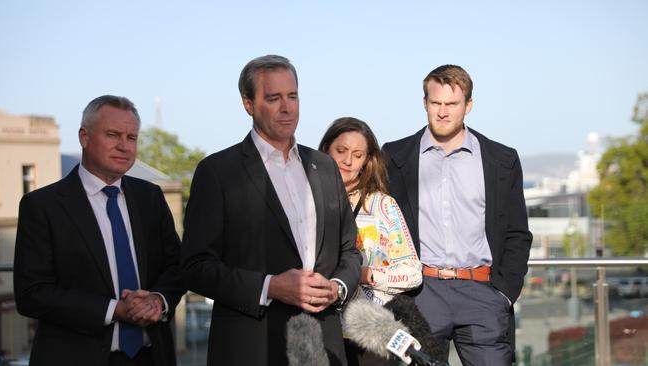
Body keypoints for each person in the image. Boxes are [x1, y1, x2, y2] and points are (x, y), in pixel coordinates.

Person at [180, 55, 362, 366]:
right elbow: (195, 267)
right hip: (252, 345)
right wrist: (271, 287)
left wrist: (338, 287)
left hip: (324, 343)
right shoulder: (218, 172)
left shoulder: (324, 166)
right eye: (274, 98)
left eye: (292, 96)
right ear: (248, 104)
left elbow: (350, 249)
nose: (287, 107)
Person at [14, 95, 185, 366]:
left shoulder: (149, 197)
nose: (124, 146)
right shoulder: (43, 206)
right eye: (113, 135)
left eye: (131, 137)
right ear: (84, 136)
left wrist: (158, 299)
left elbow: (177, 266)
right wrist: (114, 310)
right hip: (76, 357)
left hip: (151, 356)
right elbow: (32, 294)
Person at [382, 65, 533, 365]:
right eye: (435, 103)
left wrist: (503, 295)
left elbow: (517, 232)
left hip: (483, 294)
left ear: (468, 106)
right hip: (420, 293)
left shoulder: (501, 160)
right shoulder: (394, 157)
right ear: (424, 103)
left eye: (451, 104)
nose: (442, 112)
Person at [319, 117, 422, 366]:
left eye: (357, 154)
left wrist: (365, 275)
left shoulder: (381, 206)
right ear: (325, 151)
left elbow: (412, 273)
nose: (347, 161)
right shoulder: (308, 201)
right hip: (321, 331)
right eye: (341, 151)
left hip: (370, 336)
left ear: (367, 160)